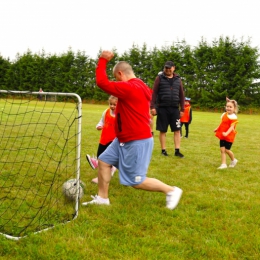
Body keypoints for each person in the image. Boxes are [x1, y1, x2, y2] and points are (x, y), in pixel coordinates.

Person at [82, 50, 183, 210]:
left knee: (136, 181)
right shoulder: (142, 85)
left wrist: (102, 60)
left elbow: (102, 83)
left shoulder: (129, 87)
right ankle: (102, 198)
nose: (117, 82)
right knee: (103, 161)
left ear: (120, 74)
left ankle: (171, 190)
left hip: (136, 140)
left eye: (117, 78)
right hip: (122, 139)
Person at [150, 61, 185, 158]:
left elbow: (181, 95)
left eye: (169, 68)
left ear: (174, 68)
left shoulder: (178, 79)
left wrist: (182, 109)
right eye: (166, 68)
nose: (167, 70)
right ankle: (163, 150)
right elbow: (154, 93)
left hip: (174, 109)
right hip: (162, 109)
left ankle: (177, 151)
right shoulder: (159, 78)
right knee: (163, 130)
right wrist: (152, 106)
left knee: (177, 130)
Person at [86, 95, 118, 184]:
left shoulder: (121, 115)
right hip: (104, 139)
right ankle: (108, 167)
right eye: (110, 104)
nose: (112, 106)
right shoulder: (106, 112)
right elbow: (102, 121)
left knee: (106, 160)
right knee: (100, 155)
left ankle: (101, 177)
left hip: (113, 141)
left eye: (115, 104)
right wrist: (99, 125)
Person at [214, 97, 239, 169]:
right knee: (222, 150)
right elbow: (222, 123)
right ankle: (223, 164)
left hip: (229, 136)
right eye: (227, 106)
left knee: (227, 150)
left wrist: (227, 133)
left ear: (234, 108)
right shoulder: (224, 114)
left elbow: (232, 127)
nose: (228, 108)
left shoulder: (233, 117)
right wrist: (217, 128)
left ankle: (233, 160)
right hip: (222, 135)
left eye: (230, 107)